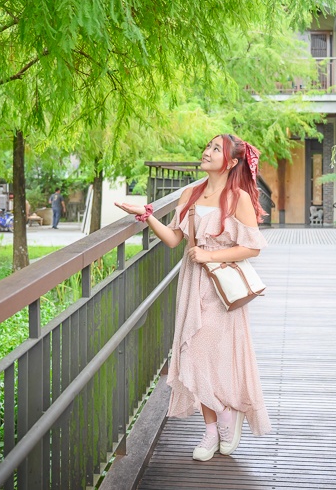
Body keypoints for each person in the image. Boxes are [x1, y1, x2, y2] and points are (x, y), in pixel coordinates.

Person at [115, 134, 271, 462]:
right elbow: (174, 239)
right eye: (208, 146)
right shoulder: (191, 193)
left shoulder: (238, 198)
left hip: (221, 285)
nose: (207, 151)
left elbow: (253, 247)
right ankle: (213, 428)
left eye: (216, 149)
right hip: (193, 283)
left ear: (230, 162)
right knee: (194, 355)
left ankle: (227, 415)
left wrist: (211, 256)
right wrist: (146, 216)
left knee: (210, 355)